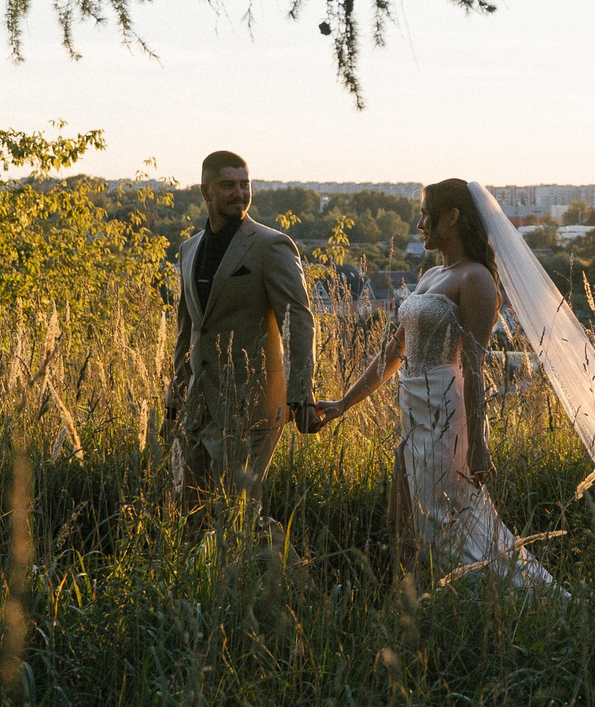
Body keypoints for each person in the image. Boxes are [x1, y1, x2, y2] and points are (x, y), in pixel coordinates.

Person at [314, 177, 555, 587]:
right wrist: (343, 403)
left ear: (453, 217)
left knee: (444, 527)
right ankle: (407, 608)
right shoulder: (430, 276)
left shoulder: (476, 279)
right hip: (413, 413)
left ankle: (483, 600)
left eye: (426, 214)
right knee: (399, 522)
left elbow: (476, 368)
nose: (420, 223)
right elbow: (392, 354)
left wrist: (478, 447)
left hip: (446, 417)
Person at [164, 150, 313, 511]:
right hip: (197, 408)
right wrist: (175, 394)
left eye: (245, 185)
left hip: (252, 404)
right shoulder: (188, 249)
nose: (239, 193)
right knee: (190, 512)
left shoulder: (270, 245)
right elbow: (188, 330)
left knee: (239, 514)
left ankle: (283, 568)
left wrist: (300, 397)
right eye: (227, 185)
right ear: (205, 192)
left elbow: (299, 320)